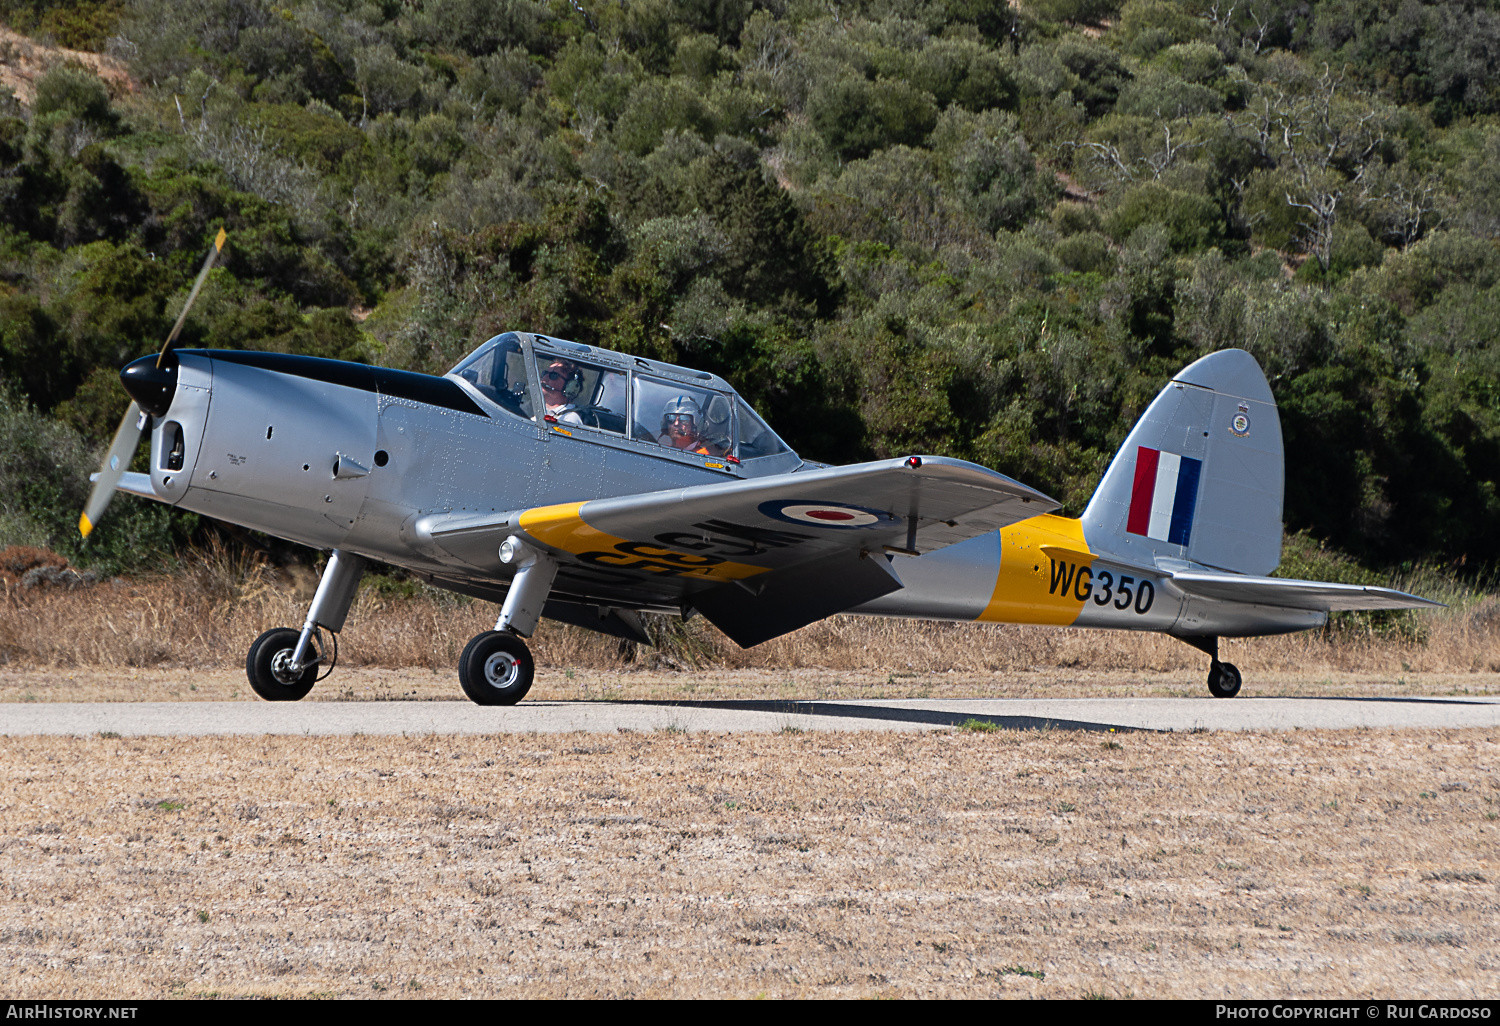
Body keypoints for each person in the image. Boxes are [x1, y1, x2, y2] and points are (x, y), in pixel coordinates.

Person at [539, 357, 584, 426]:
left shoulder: (570, 419)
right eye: (545, 373)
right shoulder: (538, 410)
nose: (544, 378)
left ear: (570, 386)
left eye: (553, 375)